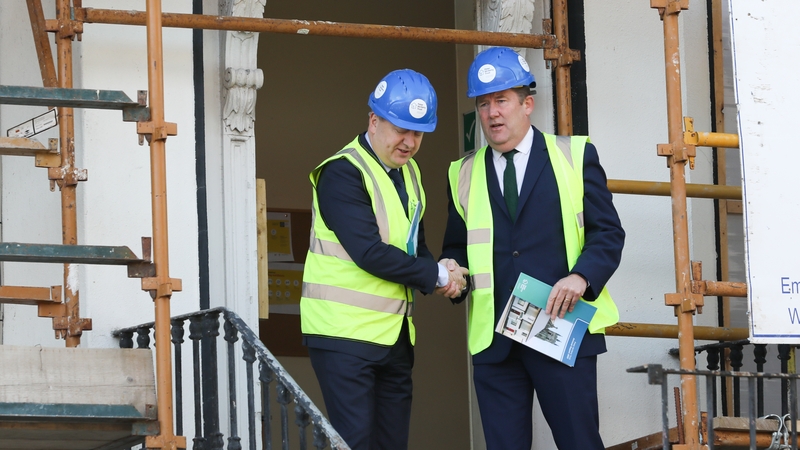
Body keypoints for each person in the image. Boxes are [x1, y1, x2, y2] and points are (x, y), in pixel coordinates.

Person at [440, 46, 625, 449]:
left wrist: (582, 276)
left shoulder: (574, 155)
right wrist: (451, 275)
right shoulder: (463, 172)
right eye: (484, 103)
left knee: (579, 442)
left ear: (527, 104)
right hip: (495, 343)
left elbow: (608, 233)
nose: (492, 113)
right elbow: (457, 247)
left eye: (502, 100)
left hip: (560, 327)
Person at [300, 68, 468, 450]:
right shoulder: (341, 173)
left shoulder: (409, 173)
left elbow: (415, 247)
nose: (409, 142)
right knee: (356, 443)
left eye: (418, 132)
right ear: (373, 121)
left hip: (393, 337)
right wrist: (437, 276)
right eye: (401, 129)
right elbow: (370, 253)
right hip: (342, 335)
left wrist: (451, 274)